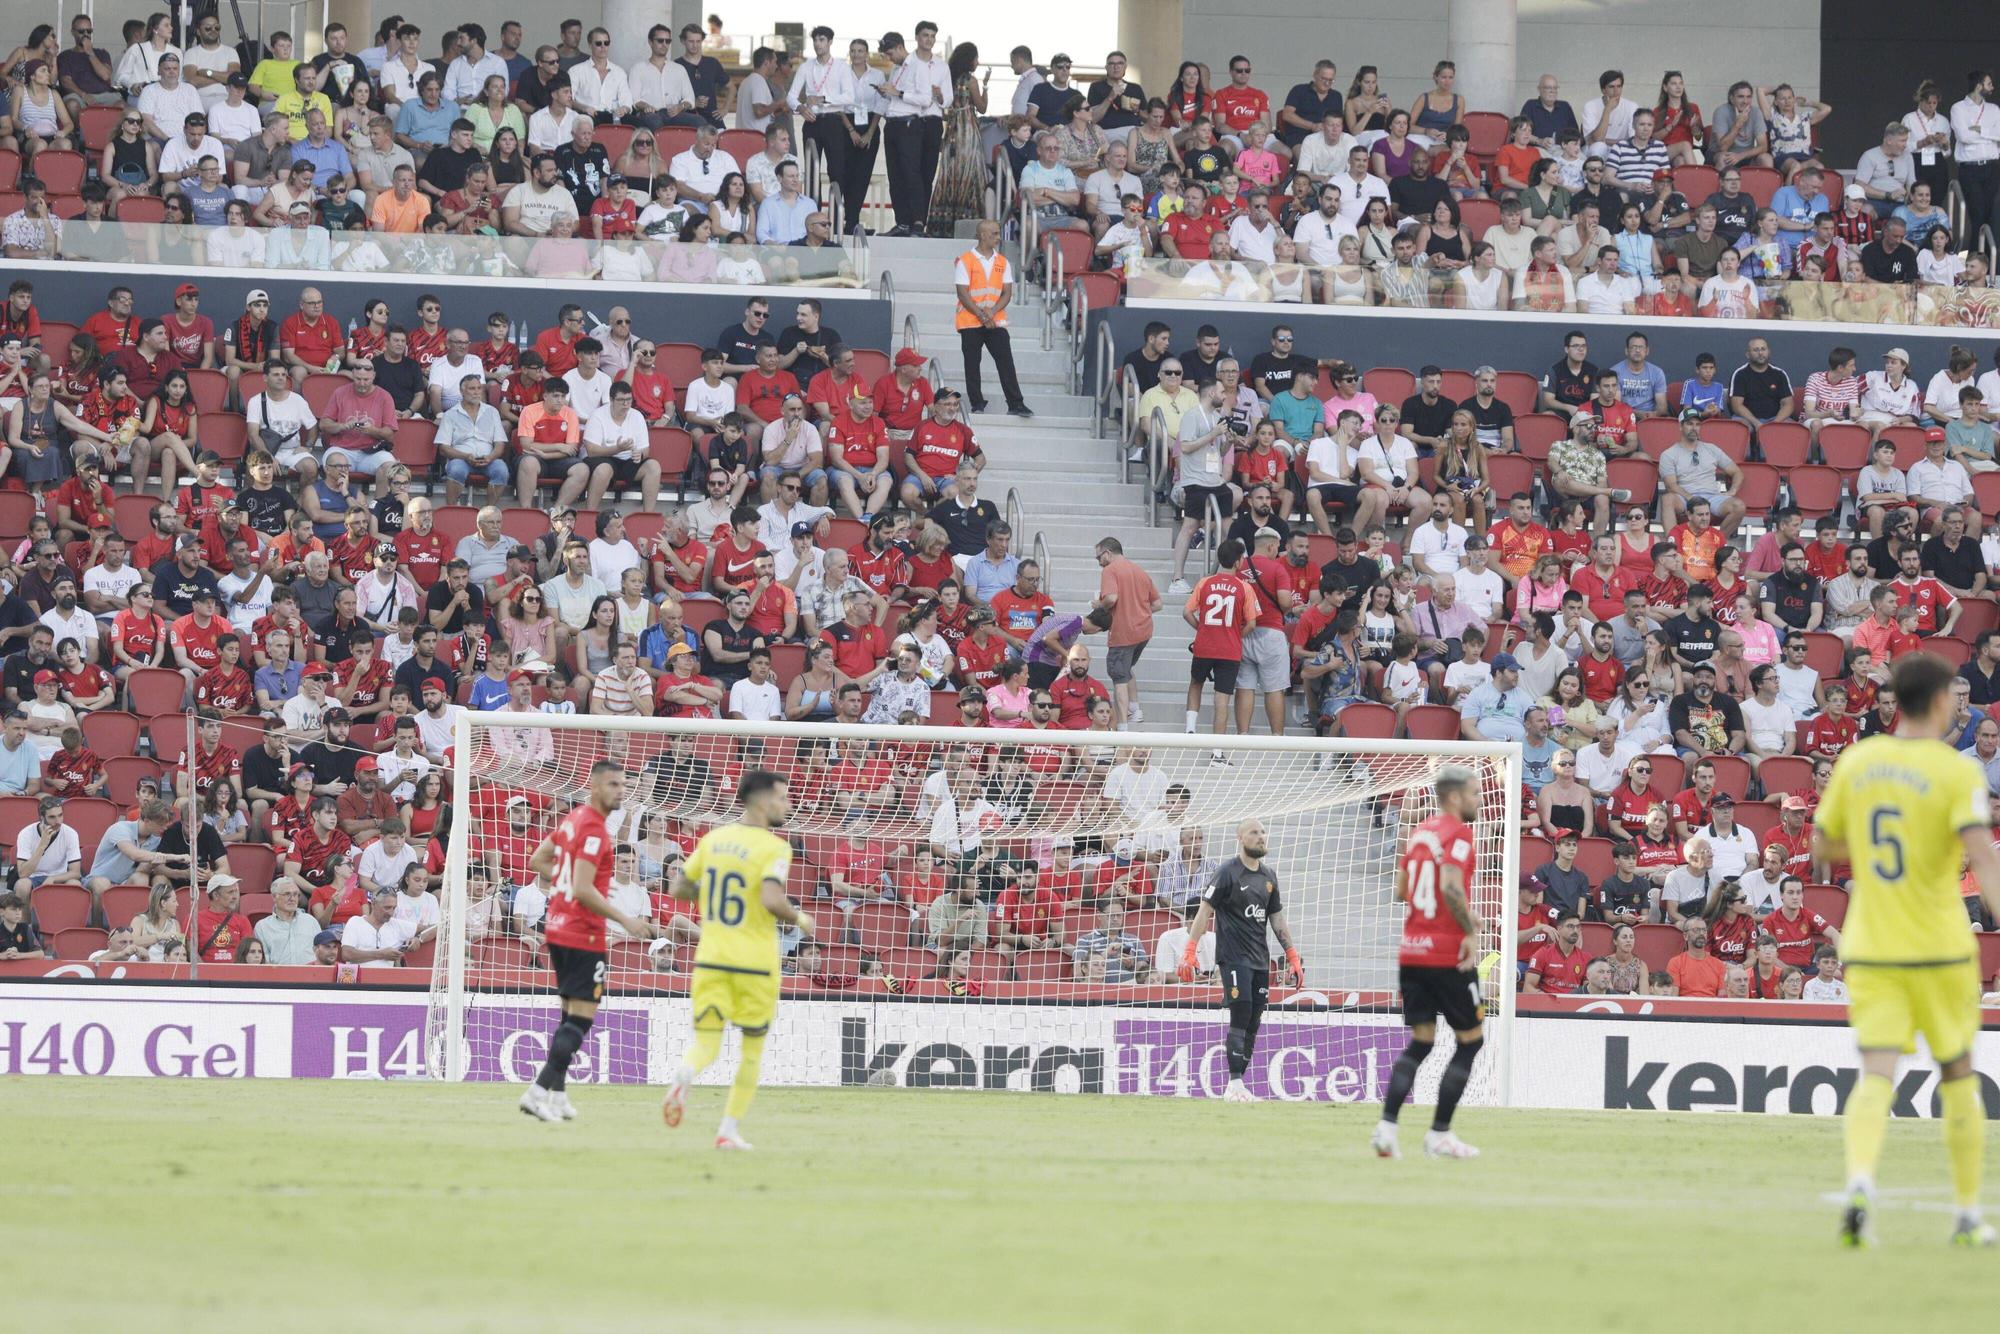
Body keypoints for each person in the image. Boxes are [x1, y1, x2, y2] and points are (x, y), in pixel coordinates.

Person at [1818, 652, 2000, 1247]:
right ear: (1944, 699)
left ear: (1895, 698)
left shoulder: (1861, 760)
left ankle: (1861, 1183)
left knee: (1876, 1072)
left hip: (1872, 944)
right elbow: (1983, 854)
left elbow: (1823, 846)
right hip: (1942, 946)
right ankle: (1969, 1214)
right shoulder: (1955, 771)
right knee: (1957, 1073)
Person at [661, 770, 814, 1150]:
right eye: (782, 797)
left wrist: (712, 889)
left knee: (706, 1045)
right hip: (755, 964)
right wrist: (801, 918)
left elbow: (678, 886)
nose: (788, 804)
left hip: (711, 958)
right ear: (762, 801)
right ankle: (727, 1130)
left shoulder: (714, 839)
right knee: (752, 1050)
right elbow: (772, 900)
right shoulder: (775, 847)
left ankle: (685, 1073)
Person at [516, 760, 658, 1123]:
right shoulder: (594, 829)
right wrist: (626, 919)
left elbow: (538, 860)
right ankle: (536, 1093)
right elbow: (582, 888)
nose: (621, 791)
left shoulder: (574, 818)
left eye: (624, 784)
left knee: (567, 1015)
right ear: (594, 787)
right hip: (584, 933)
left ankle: (559, 1097)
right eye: (613, 784)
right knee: (580, 1020)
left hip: (558, 927)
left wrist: (562, 881)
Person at [1374, 763, 1485, 1159]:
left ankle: (1386, 1128)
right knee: (1471, 1041)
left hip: (1411, 951)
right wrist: (1468, 930)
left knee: (1421, 1042)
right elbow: (1451, 885)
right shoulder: (1459, 834)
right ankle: (1439, 1133)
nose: (1479, 799)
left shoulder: (1419, 832)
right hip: (1446, 954)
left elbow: (1402, 887)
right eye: (1474, 792)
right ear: (1454, 796)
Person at [1178, 817, 1302, 1102]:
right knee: (1241, 1016)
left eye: (1263, 831)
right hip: (1234, 958)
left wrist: (1292, 954)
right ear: (1240, 838)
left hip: (1261, 960)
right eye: (1254, 832)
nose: (1261, 836)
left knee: (1254, 1023)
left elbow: (1276, 918)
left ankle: (1239, 1085)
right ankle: (1233, 1083)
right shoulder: (1227, 873)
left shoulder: (1269, 877)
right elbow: (1205, 911)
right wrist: (1190, 950)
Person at [954, 220, 1031, 419]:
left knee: (1006, 360)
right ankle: (977, 403)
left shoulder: (1002, 261)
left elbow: (1007, 292)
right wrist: (982, 314)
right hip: (971, 320)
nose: (998, 237)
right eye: (995, 233)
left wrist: (992, 311)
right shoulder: (965, 260)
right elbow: (962, 293)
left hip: (995, 320)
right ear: (982, 235)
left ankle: (1016, 403)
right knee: (972, 364)